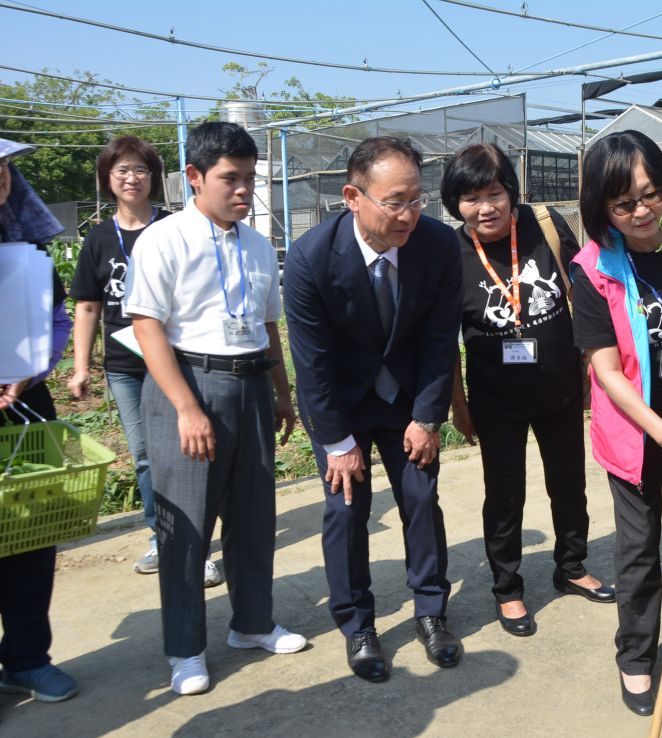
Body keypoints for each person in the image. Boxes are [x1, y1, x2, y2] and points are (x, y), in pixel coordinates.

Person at [124, 122, 305, 696]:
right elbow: (147, 325)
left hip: (250, 385)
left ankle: (252, 624)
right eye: (231, 179)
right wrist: (185, 407)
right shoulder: (164, 239)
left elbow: (269, 324)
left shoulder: (256, 244)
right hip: (190, 384)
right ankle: (185, 648)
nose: (244, 191)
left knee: (253, 516)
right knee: (188, 525)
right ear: (195, 178)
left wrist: (281, 390)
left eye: (251, 179)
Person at [284, 136, 464, 683]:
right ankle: (357, 624)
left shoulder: (436, 246)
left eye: (417, 199)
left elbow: (439, 341)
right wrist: (337, 444)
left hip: (408, 397)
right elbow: (311, 364)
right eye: (395, 201)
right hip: (342, 404)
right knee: (346, 508)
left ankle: (431, 612)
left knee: (420, 496)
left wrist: (428, 417)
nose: (409, 214)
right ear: (352, 196)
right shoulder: (311, 257)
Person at [571, 130, 662, 716]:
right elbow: (606, 372)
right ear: (601, 206)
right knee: (637, 549)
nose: (641, 211)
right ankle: (635, 655)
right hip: (636, 432)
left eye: (652, 195)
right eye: (624, 203)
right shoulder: (594, 267)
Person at [442, 143, 613, 638]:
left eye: (494, 193)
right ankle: (507, 588)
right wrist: (459, 405)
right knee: (504, 494)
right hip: (495, 400)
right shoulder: (451, 253)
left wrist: (590, 370)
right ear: (456, 203)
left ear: (512, 192)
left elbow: (585, 293)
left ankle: (572, 566)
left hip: (560, 388)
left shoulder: (545, 225)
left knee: (569, 484)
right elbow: (445, 340)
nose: (485, 207)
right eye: (471, 198)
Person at [67, 136, 222, 588]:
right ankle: (162, 537)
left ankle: (200, 546)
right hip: (125, 366)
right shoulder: (97, 239)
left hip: (180, 361)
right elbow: (88, 307)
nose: (131, 178)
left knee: (190, 452)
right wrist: (80, 367)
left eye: (140, 170)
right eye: (121, 171)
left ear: (154, 178)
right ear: (107, 180)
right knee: (144, 456)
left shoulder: (177, 227)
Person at [0, 138, 79, 704]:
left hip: (24, 406)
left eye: (3, 171)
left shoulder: (28, 252)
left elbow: (56, 319)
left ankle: (27, 657)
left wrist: (30, 371)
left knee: (30, 532)